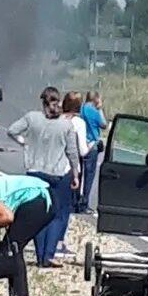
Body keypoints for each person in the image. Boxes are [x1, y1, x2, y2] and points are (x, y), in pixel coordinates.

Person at [7, 86, 80, 269]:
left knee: (38, 214)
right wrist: (76, 174)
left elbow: (12, 130)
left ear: (43, 102)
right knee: (57, 214)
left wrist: (24, 143)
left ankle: (39, 255)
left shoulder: (32, 118)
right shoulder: (66, 125)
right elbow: (72, 153)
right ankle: (48, 254)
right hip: (56, 173)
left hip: (34, 171)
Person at [59, 91, 91, 257]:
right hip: (69, 168)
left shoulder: (56, 119)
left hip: (51, 166)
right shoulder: (78, 123)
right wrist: (93, 145)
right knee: (65, 208)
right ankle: (59, 242)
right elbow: (83, 151)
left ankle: (49, 242)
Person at [78, 91, 107, 214]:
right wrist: (100, 109)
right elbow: (104, 125)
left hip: (79, 144)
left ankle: (75, 201)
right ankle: (84, 203)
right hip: (92, 145)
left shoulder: (81, 109)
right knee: (89, 176)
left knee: (78, 173)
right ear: (95, 99)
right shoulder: (94, 112)